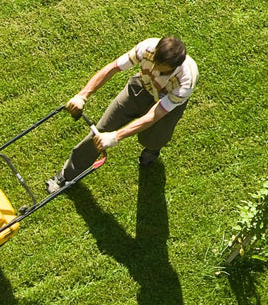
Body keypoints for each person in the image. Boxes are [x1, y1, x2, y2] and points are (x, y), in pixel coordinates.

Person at [46, 36, 199, 193]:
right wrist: (82, 95)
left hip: (166, 102)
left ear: (175, 67)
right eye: (154, 62)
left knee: (153, 139)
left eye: (160, 68)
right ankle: (67, 175)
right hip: (141, 87)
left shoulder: (186, 81)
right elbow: (113, 68)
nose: (154, 69)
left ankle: (152, 149)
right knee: (101, 131)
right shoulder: (148, 47)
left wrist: (116, 137)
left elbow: (155, 114)